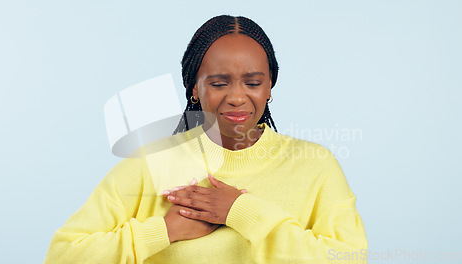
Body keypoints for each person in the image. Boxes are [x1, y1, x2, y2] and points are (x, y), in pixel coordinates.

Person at [44, 15, 368, 263]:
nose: (237, 98)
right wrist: (164, 231)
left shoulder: (315, 167)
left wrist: (241, 211)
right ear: (195, 90)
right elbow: (63, 254)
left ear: (270, 87)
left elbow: (349, 258)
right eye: (218, 83)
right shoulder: (152, 163)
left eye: (253, 83)